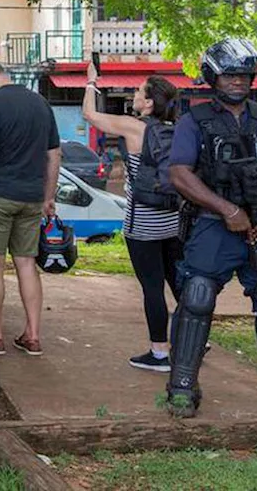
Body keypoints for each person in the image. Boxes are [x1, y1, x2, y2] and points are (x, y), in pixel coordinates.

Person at [164, 39, 257, 419]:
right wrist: (226, 209)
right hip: (214, 227)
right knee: (196, 297)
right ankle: (182, 388)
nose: (238, 82)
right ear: (213, 77)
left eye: (244, 75)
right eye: (230, 74)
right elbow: (179, 174)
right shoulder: (192, 122)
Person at [82, 68, 183, 372]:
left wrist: (90, 81)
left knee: (152, 288)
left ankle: (159, 353)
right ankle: (193, 338)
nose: (135, 95)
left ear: (150, 103)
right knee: (180, 284)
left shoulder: (134, 127)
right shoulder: (177, 129)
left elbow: (89, 115)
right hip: (174, 220)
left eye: (140, 91)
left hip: (144, 223)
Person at [0, 57, 61, 358]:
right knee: (26, 263)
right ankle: (32, 335)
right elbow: (54, 154)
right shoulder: (40, 103)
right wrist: (48, 195)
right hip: (33, 196)